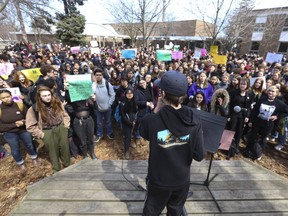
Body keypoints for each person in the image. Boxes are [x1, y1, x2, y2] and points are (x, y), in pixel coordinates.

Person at [140, 70, 205, 215]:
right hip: (181, 181)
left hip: (158, 181)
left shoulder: (152, 120)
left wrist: (157, 108)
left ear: (162, 94)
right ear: (183, 95)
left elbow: (143, 132)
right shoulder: (195, 120)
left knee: (151, 211)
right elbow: (199, 155)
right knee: (176, 211)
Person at [26, 86, 71, 173]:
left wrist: (66, 126)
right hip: (47, 131)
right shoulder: (34, 109)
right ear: (39, 97)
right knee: (53, 152)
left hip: (61, 128)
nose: (47, 97)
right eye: (44, 96)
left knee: (65, 149)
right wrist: (41, 134)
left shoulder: (57, 103)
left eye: (49, 95)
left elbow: (65, 115)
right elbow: (30, 126)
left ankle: (68, 166)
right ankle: (56, 169)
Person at [0, 89, 39, 171]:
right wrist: (14, 125)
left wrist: (23, 122)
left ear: (11, 96)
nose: (6, 99)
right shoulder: (0, 110)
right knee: (15, 149)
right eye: (3, 98)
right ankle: (20, 163)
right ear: (0, 99)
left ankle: (34, 157)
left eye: (8, 96)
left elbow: (29, 117)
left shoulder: (19, 105)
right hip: (10, 133)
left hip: (23, 130)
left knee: (30, 145)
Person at [92, 68, 116, 142]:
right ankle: (99, 134)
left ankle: (109, 132)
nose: (98, 76)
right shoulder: (93, 85)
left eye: (100, 75)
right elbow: (92, 94)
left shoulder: (107, 84)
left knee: (108, 122)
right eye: (97, 75)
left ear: (102, 76)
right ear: (94, 76)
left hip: (107, 108)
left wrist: (109, 104)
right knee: (99, 122)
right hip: (97, 108)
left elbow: (112, 94)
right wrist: (94, 84)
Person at [119, 88, 138, 160]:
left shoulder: (134, 102)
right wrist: (129, 123)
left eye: (131, 93)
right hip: (126, 122)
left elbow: (136, 112)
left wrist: (134, 120)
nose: (129, 95)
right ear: (125, 94)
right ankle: (126, 151)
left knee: (131, 134)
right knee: (127, 136)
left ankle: (130, 143)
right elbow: (123, 116)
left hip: (133, 121)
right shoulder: (122, 103)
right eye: (128, 93)